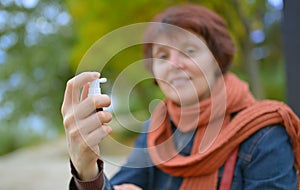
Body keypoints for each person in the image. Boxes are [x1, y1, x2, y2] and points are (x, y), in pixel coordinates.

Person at [61, 3, 300, 190]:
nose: (173, 64)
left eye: (189, 51)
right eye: (162, 56)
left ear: (217, 59)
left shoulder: (265, 133)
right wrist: (86, 170)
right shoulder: (157, 128)